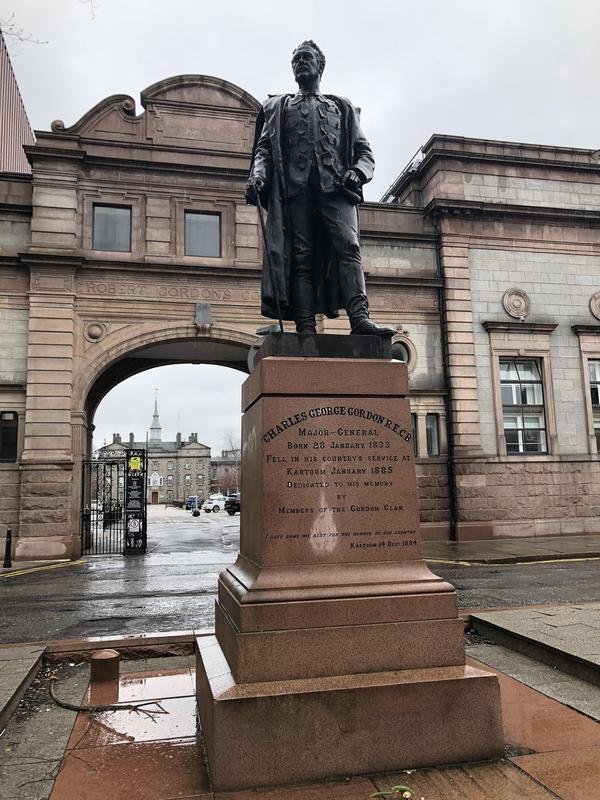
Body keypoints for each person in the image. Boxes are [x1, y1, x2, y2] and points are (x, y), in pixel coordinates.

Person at [246, 40, 395, 337]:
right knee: (301, 257)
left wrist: (357, 173)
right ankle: (305, 328)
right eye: (296, 60)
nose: (301, 63)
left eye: (306, 58)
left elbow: (365, 154)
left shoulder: (341, 107)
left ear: (320, 66)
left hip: (335, 190)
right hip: (295, 192)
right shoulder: (278, 107)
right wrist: (258, 177)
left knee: (349, 249)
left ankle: (359, 320)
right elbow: (263, 151)